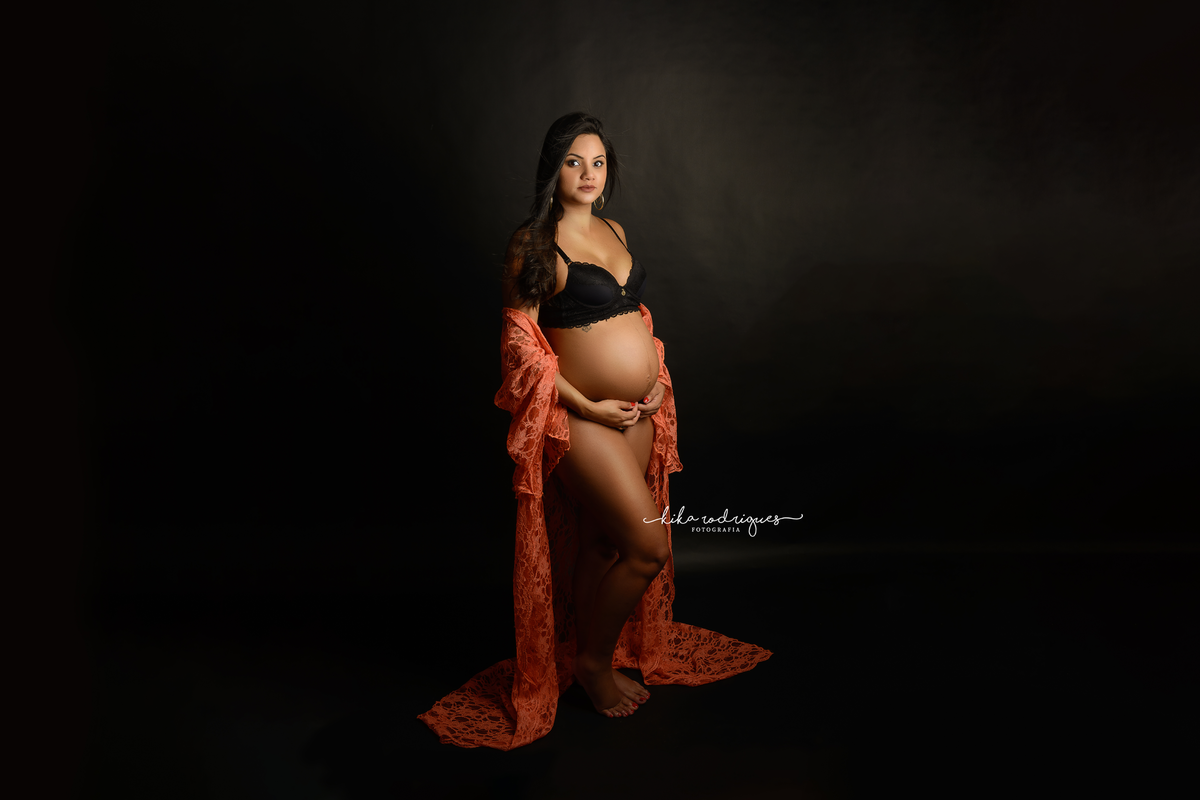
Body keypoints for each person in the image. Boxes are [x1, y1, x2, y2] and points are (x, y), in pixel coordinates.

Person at [418, 112, 769, 749]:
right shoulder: (532, 243)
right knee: (648, 548)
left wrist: (654, 376)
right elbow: (520, 345)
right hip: (581, 417)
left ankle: (582, 651)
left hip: (636, 411)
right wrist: (588, 405)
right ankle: (592, 664)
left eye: (599, 162)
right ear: (553, 170)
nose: (588, 174)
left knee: (605, 545)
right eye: (574, 162)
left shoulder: (614, 229)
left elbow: (634, 316)